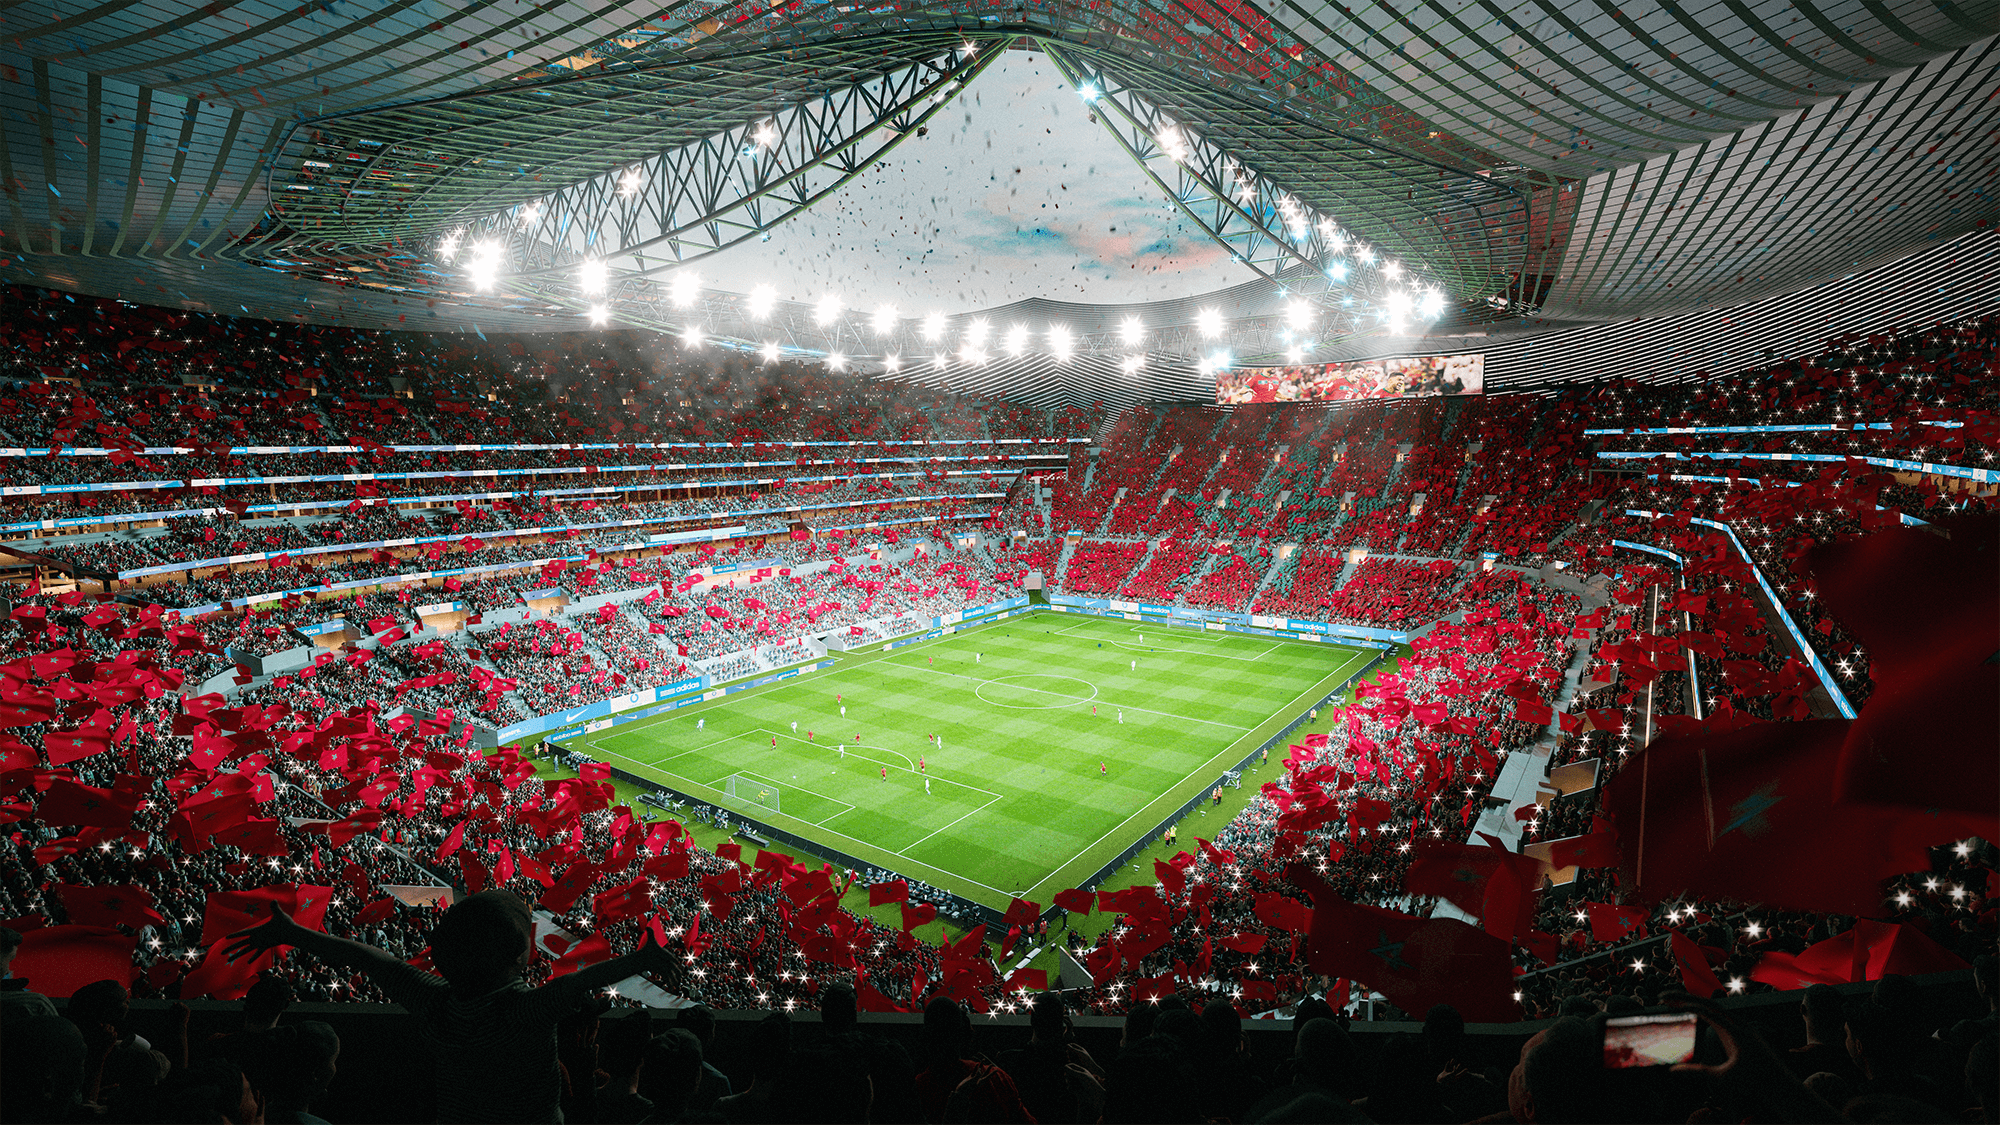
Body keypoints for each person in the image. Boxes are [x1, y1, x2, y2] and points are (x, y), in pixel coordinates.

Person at [223, 890, 684, 1124]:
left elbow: (370, 959)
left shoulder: (435, 1001)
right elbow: (582, 982)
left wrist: (296, 934)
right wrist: (641, 959)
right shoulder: (523, 1011)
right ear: (514, 957)